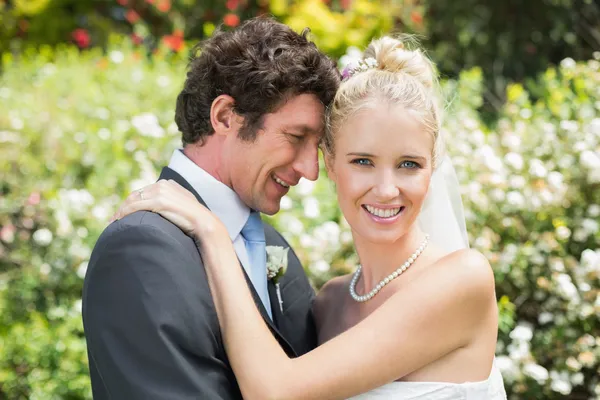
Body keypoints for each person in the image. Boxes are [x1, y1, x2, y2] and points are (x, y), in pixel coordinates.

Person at [114, 36, 507, 399]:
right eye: (364, 161)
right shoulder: (327, 304)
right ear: (331, 164)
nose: (387, 189)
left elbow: (276, 391)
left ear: (432, 168)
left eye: (409, 164)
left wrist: (212, 233)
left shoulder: (464, 280)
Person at [82, 17, 340, 399]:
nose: (310, 169)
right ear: (224, 117)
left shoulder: (271, 244)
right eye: (296, 137)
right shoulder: (140, 249)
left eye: (316, 146)